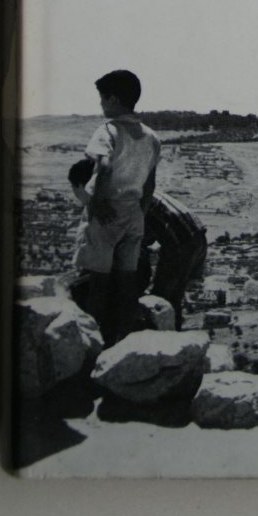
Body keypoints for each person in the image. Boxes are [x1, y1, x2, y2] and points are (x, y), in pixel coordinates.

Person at [73, 69, 161, 344]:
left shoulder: (108, 131)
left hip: (108, 212)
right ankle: (124, 336)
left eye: (102, 98)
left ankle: (93, 340)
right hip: (134, 212)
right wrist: (140, 211)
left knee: (97, 280)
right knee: (126, 279)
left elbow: (105, 166)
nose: (100, 104)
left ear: (112, 99)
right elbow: (150, 183)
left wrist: (98, 203)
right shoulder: (151, 137)